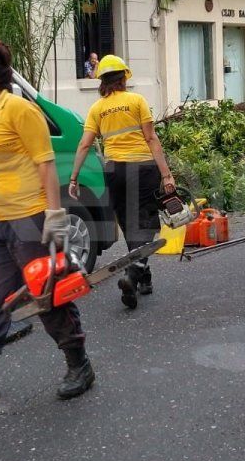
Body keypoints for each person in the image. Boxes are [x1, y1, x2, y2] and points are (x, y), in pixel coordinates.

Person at [0, 43, 94, 405]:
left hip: (29, 219)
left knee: (46, 296)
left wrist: (55, 216)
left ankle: (79, 364)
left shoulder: (20, 110)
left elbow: (45, 163)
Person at [68, 55, 176, 309]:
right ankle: (132, 275)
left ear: (102, 81)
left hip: (114, 171)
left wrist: (73, 177)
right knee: (146, 226)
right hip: (143, 169)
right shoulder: (137, 101)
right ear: (124, 78)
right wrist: (166, 174)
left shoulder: (97, 108)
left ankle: (143, 278)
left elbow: (85, 144)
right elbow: (151, 139)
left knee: (129, 225)